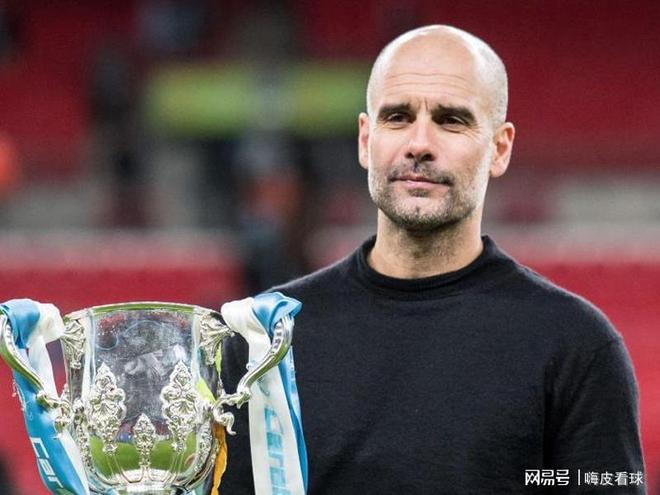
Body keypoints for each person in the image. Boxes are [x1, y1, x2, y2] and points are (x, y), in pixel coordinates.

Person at [220, 25, 645, 494]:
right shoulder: (268, 339)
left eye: (451, 120)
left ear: (500, 148)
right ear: (365, 139)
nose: (419, 143)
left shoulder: (576, 346)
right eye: (398, 117)